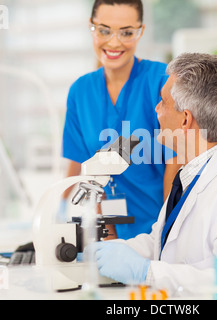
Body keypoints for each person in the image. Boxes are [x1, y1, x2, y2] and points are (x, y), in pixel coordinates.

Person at [92, 53, 217, 296]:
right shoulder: (193, 174)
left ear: (186, 119)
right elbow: (160, 242)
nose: (156, 109)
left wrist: (146, 272)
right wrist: (111, 252)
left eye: (163, 102)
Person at [62, 0, 179, 239]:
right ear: (91, 27)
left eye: (126, 32)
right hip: (106, 236)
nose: (114, 42)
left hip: (158, 233)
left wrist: (166, 234)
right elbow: (80, 172)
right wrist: (56, 220)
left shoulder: (162, 82)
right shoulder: (80, 92)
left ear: (140, 32)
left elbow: (177, 165)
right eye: (104, 30)